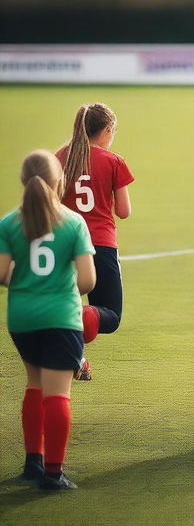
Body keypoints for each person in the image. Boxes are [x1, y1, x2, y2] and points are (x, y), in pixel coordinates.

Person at [0, 150, 96, 490]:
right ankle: (54, 474)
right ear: (60, 182)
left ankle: (33, 464)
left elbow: (1, 273)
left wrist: (26, 282)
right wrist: (60, 284)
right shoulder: (73, 222)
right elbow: (87, 281)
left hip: (23, 319)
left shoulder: (9, 223)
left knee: (33, 383)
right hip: (61, 317)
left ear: (24, 181)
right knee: (58, 394)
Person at [56, 103, 134, 380]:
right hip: (99, 244)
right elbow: (123, 212)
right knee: (109, 315)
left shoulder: (60, 157)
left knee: (63, 307)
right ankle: (82, 317)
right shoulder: (113, 161)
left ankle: (76, 359)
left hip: (63, 244)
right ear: (107, 130)